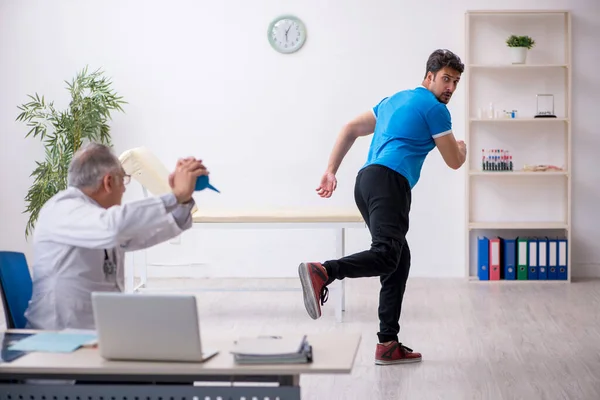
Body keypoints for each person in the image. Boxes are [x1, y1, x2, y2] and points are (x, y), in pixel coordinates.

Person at [297, 49, 467, 365]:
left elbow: (350, 128)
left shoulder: (392, 101)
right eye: (446, 79)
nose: (450, 88)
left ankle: (388, 343)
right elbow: (454, 162)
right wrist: (462, 147)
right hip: (390, 182)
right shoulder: (436, 110)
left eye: (456, 82)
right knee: (388, 254)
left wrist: (331, 169)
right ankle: (324, 271)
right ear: (429, 76)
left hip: (366, 182)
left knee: (398, 259)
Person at [24, 142, 208, 330]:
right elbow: (113, 227)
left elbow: (151, 232)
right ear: (109, 182)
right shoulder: (62, 209)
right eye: (124, 179)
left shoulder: (97, 218)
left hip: (96, 336)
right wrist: (175, 195)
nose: (125, 189)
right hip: (56, 342)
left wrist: (184, 200)